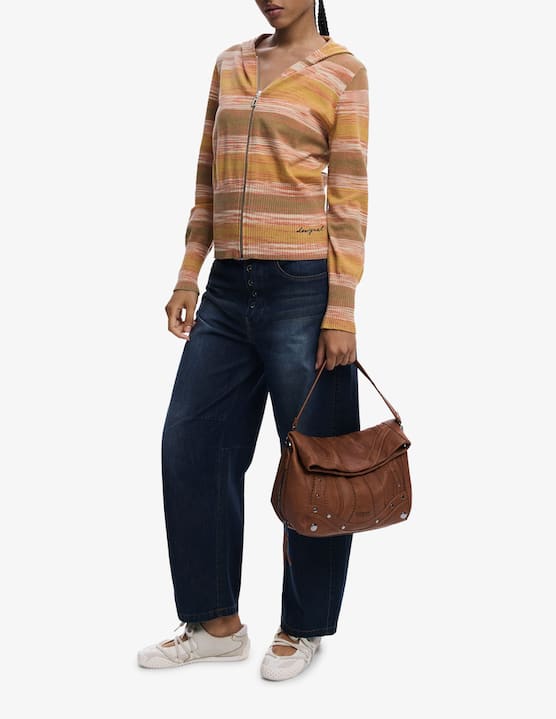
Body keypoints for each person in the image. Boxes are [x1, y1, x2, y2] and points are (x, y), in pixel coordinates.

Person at [138, 0, 369, 681]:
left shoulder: (343, 71)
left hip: (304, 289)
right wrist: (189, 271)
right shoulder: (231, 62)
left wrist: (341, 309)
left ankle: (304, 625)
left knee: (318, 464)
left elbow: (349, 197)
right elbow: (207, 177)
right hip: (226, 290)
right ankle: (215, 623)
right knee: (191, 446)